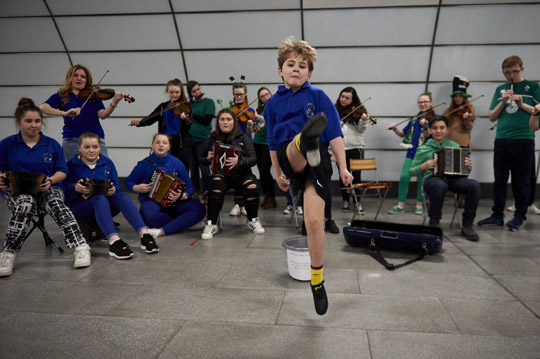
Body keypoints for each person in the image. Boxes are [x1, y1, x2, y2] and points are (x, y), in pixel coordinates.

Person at [265, 37, 353, 316]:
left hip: (319, 163)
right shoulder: (272, 104)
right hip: (288, 156)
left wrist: (343, 168)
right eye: (290, 64)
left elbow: (336, 135)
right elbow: (270, 143)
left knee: (314, 221)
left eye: (302, 66)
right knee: (293, 147)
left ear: (309, 74)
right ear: (280, 70)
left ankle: (317, 281)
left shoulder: (318, 97)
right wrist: (276, 174)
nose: (296, 69)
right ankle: (305, 141)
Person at [0, 98, 91, 277]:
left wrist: (50, 180)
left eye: (37, 121)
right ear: (19, 122)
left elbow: (62, 172)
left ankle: (81, 246)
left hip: (47, 188)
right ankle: (7, 254)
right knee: (25, 203)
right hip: (16, 191)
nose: (34, 125)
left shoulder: (52, 144)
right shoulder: (7, 144)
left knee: (57, 203)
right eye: (28, 121)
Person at [63, 132, 158, 258]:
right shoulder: (70, 165)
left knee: (123, 196)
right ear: (79, 148)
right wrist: (74, 188)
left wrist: (114, 190)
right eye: (87, 147)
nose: (91, 150)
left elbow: (117, 186)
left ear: (99, 147)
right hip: (80, 208)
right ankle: (114, 241)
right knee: (100, 198)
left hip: (104, 207)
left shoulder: (107, 163)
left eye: (95, 147)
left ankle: (144, 234)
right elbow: (62, 191)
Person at [478, 56, 540, 231]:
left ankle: (520, 216)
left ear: (522, 69)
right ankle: (497, 215)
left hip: (524, 139)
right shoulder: (501, 89)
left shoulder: (533, 87)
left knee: (521, 180)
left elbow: (538, 110)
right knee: (500, 179)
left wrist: (521, 104)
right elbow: (492, 117)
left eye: (515, 71)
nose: (511, 75)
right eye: (507, 73)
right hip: (502, 139)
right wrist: (503, 101)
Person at [410, 117, 481, 241]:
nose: (438, 131)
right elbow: (411, 171)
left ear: (447, 130)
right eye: (435, 128)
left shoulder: (455, 146)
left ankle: (467, 225)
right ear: (430, 131)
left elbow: (463, 173)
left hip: (452, 179)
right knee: (440, 185)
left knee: (474, 185)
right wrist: (424, 166)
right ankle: (434, 223)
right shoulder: (423, 148)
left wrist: (468, 168)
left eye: (442, 128)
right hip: (431, 179)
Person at [199, 109, 265, 239]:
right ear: (218, 122)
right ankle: (212, 223)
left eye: (228, 119)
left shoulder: (243, 137)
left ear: (233, 122)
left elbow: (253, 159)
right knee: (216, 185)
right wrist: (207, 158)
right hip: (222, 175)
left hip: (242, 175)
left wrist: (239, 161)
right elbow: (200, 158)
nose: (225, 122)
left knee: (252, 186)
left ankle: (253, 219)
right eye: (222, 119)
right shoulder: (212, 138)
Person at [125, 134, 205, 240]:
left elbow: (190, 187)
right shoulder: (144, 164)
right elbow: (128, 182)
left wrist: (182, 195)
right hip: (152, 201)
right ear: (152, 145)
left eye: (164, 143)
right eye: (157, 142)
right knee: (148, 215)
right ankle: (182, 223)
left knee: (199, 210)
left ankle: (162, 230)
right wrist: (137, 188)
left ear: (169, 147)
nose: (161, 145)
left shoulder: (177, 163)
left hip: (175, 202)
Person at [40, 64, 126, 160]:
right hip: (72, 140)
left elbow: (103, 114)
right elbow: (43, 108)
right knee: (73, 172)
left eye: (83, 77)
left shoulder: (94, 95)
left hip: (95, 139)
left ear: (86, 80)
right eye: (76, 75)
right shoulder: (62, 96)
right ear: (70, 78)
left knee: (102, 170)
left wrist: (114, 103)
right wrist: (64, 113)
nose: (79, 79)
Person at [388, 93, 436, 215]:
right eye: (420, 102)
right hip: (412, 152)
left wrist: (425, 125)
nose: (423, 104)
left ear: (431, 102)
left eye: (425, 101)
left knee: (421, 180)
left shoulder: (435, 118)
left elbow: (428, 135)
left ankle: (419, 205)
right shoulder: (415, 118)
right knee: (404, 177)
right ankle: (400, 205)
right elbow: (403, 134)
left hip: (425, 154)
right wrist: (394, 129)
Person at [130, 78, 192, 169]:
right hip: (166, 141)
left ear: (181, 92)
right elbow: (151, 118)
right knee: (165, 169)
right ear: (167, 91)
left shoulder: (186, 106)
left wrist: (184, 118)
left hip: (182, 143)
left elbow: (189, 126)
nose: (174, 95)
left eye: (177, 92)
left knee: (182, 169)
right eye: (171, 92)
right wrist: (139, 123)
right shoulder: (163, 107)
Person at [335, 87, 370, 212]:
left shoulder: (358, 111)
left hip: (356, 147)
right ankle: (345, 201)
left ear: (353, 99)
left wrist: (364, 121)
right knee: (342, 176)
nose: (343, 100)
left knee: (356, 176)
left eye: (347, 98)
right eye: (342, 96)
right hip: (340, 148)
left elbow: (361, 130)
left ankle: (357, 202)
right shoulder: (335, 110)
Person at [228, 82, 256, 216]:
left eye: (240, 94)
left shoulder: (250, 111)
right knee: (234, 175)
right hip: (233, 144)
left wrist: (250, 125)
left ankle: (244, 204)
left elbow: (250, 134)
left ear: (245, 95)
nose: (238, 97)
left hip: (246, 145)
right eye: (236, 94)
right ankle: (236, 204)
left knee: (245, 173)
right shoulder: (230, 110)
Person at [187, 81, 215, 203]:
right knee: (193, 167)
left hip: (203, 138)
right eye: (194, 91)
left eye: (198, 89)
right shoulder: (190, 104)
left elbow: (206, 120)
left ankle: (207, 192)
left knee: (204, 166)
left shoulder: (208, 102)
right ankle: (194, 190)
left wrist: (191, 114)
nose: (197, 92)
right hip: (190, 138)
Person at [254, 87, 277, 210]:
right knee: (261, 171)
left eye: (267, 94)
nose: (265, 97)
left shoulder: (275, 108)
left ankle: (272, 197)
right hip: (257, 142)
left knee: (265, 170)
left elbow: (271, 122)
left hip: (269, 143)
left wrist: (257, 116)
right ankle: (266, 196)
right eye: (262, 96)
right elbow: (257, 126)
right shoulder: (261, 110)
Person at [443, 76, 475, 149]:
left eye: (460, 96)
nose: (458, 99)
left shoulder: (469, 108)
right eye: (455, 96)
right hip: (449, 144)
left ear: (464, 97)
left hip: (462, 144)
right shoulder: (449, 110)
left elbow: (469, 127)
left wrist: (466, 119)